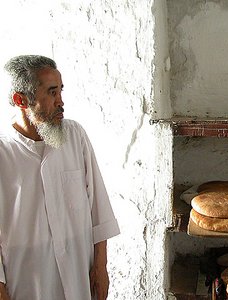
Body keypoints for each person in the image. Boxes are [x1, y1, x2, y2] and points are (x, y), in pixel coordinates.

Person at [0, 55, 120, 300]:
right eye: (52, 93)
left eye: (61, 91)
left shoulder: (75, 135)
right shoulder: (3, 154)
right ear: (20, 100)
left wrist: (101, 266)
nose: (61, 102)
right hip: (28, 281)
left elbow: (98, 206)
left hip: (79, 273)